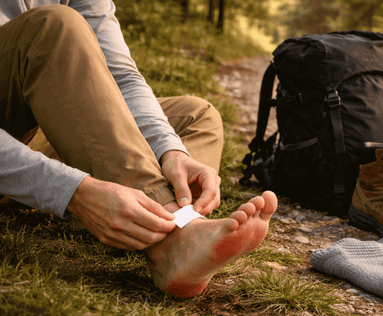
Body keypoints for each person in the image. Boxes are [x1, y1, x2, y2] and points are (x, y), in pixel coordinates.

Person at [0, 1, 277, 298]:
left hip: (42, 123)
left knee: (196, 116)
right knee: (52, 26)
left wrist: (172, 152)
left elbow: (121, 77)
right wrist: (70, 190)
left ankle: (144, 220)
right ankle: (172, 242)